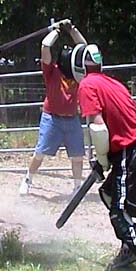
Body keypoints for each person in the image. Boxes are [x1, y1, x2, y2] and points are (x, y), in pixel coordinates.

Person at [63, 43, 136, 271]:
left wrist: (102, 159)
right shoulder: (110, 82)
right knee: (108, 193)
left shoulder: (87, 85)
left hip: (129, 150)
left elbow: (98, 127)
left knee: (119, 214)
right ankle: (130, 248)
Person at [19, 20, 87, 196]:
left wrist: (72, 30)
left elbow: (84, 47)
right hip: (51, 118)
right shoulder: (51, 71)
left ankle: (77, 187)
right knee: (40, 153)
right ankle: (27, 179)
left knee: (77, 155)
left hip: (72, 118)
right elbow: (45, 46)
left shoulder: (78, 74)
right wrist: (56, 31)